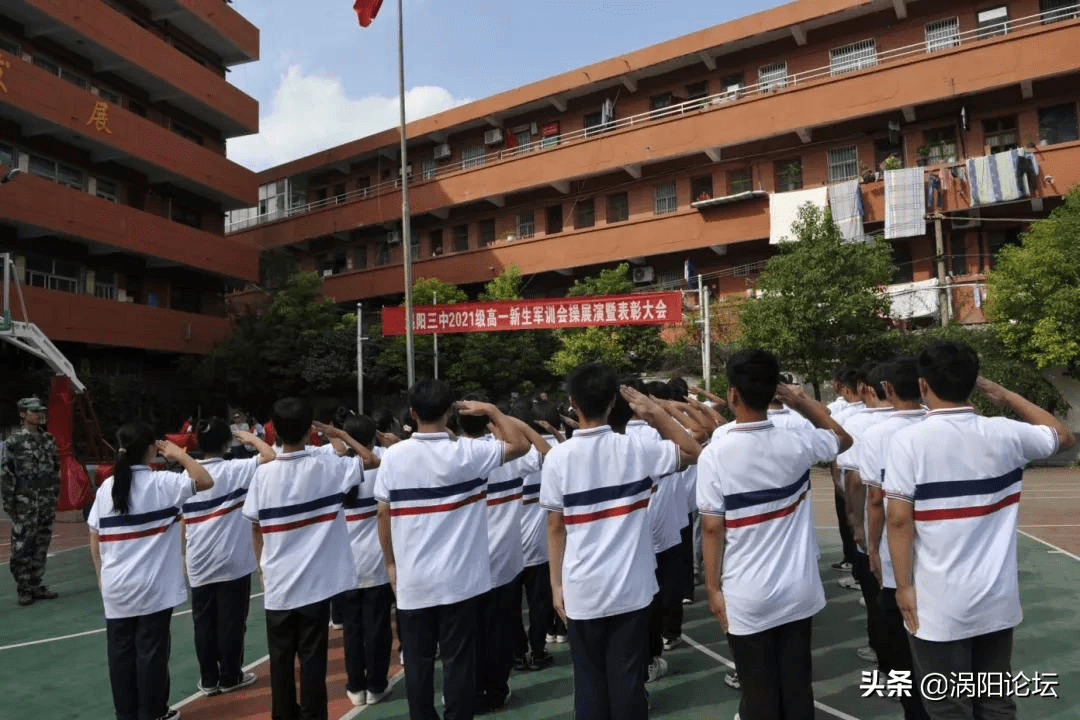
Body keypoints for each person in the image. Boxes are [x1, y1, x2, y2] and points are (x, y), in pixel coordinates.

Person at [886, 341, 1074, 720]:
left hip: (937, 603)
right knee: (995, 700)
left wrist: (903, 586)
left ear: (923, 385)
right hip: (996, 599)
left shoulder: (908, 442)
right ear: (974, 384)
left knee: (947, 704)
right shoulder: (1006, 433)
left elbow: (899, 519)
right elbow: (1062, 435)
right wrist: (1005, 395)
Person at [698, 349, 851, 720]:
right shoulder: (797, 442)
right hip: (798, 590)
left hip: (746, 595)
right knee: (797, 687)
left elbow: (712, 528)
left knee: (759, 692)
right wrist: (801, 401)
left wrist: (713, 588)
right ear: (773, 393)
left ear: (732, 394)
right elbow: (842, 439)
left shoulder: (716, 452)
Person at [542, 363, 701, 720]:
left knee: (589, 682)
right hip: (631, 588)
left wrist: (555, 584)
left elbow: (555, 527)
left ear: (572, 402)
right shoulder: (635, 451)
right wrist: (656, 413)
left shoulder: (557, 459)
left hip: (582, 588)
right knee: (628, 681)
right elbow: (691, 450)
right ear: (614, 401)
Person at [375, 380, 530, 720]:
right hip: (461, 583)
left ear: (413, 413)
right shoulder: (468, 454)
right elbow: (519, 444)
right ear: (451, 413)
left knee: (418, 664)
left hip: (414, 581)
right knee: (460, 661)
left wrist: (389, 563)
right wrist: (491, 410)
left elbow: (383, 513)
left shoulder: (394, 456)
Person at [242, 398, 376, 720]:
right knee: (313, 665)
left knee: (281, 664)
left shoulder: (263, 475)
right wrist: (338, 434)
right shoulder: (328, 466)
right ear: (308, 430)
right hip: (315, 587)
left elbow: (256, 529)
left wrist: (262, 566)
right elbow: (370, 459)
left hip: (278, 585)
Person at [88, 423, 214, 720]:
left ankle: (126, 714)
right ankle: (154, 711)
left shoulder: (107, 488)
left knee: (120, 655)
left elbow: (94, 536)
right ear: (150, 450)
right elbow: (204, 480)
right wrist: (178, 455)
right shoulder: (163, 484)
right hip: (152, 586)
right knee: (151, 652)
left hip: (117, 586)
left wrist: (101, 578)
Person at [458, 397, 550, 712]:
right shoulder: (509, 457)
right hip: (506, 564)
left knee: (468, 635)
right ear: (488, 424)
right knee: (500, 631)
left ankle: (469, 690)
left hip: (465, 566)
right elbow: (544, 452)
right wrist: (508, 419)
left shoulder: (455, 456)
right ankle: (496, 690)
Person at [856, 357, 929, 720]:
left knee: (901, 641)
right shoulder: (936, 423)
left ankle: (915, 707)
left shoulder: (876, 435)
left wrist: (871, 546)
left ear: (885, 389)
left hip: (894, 558)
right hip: (937, 557)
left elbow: (874, 500)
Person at [181, 418, 275, 697]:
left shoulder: (188, 476)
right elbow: (270, 455)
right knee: (232, 621)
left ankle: (209, 679)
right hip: (232, 558)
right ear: (227, 443)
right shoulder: (236, 469)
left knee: (204, 621)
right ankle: (231, 674)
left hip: (199, 558)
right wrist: (252, 439)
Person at [336, 414, 395, 708]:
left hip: (346, 563)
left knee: (352, 628)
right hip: (378, 559)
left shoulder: (336, 467)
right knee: (378, 627)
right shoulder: (383, 459)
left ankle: (355, 685)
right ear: (374, 436)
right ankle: (376, 684)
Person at [515, 400, 562, 671]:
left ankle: (519, 653)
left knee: (510, 608)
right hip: (540, 543)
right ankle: (538, 649)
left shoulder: (500, 456)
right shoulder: (545, 454)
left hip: (507, 547)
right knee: (539, 602)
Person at [1, 396, 61, 606]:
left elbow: (55, 469)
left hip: (45, 502)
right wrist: (10, 505)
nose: (38, 414)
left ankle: (36, 584)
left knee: (41, 544)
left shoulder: (48, 440)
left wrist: (54, 497)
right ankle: (24, 588)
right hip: (24, 503)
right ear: (22, 414)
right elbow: (6, 475)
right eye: (34, 411)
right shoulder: (14, 442)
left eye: (40, 410)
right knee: (21, 546)